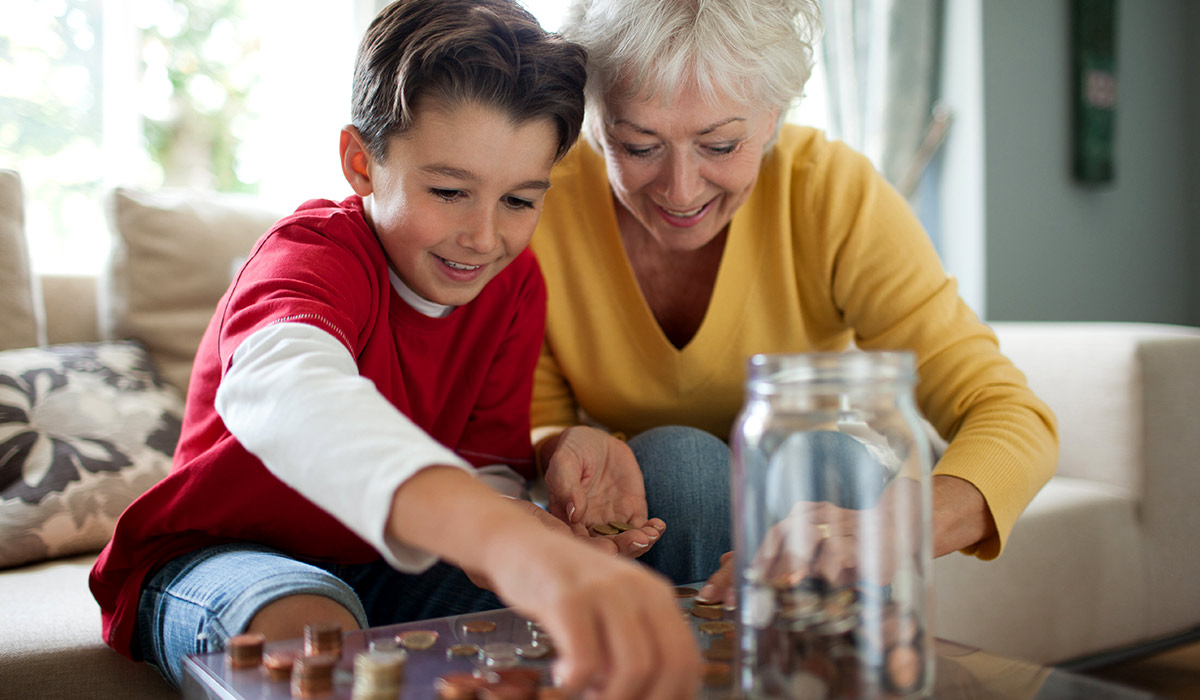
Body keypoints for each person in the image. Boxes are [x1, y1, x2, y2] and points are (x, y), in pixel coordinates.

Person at [89, 2, 700, 697]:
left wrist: (523, 523)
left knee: (562, 626)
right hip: (224, 554)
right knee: (310, 627)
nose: (483, 236)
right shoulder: (309, 258)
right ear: (361, 163)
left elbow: (484, 467)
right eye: (448, 191)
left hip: (386, 562)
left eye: (520, 201)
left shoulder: (515, 287)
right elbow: (294, 395)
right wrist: (498, 539)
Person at [529, 0, 1059, 599]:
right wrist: (559, 443)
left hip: (817, 482)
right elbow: (538, 414)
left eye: (721, 146)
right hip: (654, 495)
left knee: (823, 454)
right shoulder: (540, 200)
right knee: (681, 465)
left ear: (773, 117)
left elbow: (1010, 414)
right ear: (595, 123)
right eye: (639, 145)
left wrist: (894, 529)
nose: (681, 191)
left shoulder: (831, 193)